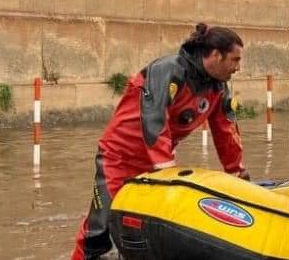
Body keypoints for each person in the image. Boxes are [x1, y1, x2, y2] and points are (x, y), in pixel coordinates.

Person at [72, 23, 247, 260]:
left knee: (147, 230)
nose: (238, 68)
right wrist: (166, 170)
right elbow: (154, 119)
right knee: (98, 231)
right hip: (119, 158)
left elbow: (226, 132)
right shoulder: (168, 70)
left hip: (153, 165)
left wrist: (238, 173)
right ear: (216, 54)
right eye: (235, 60)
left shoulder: (218, 89)